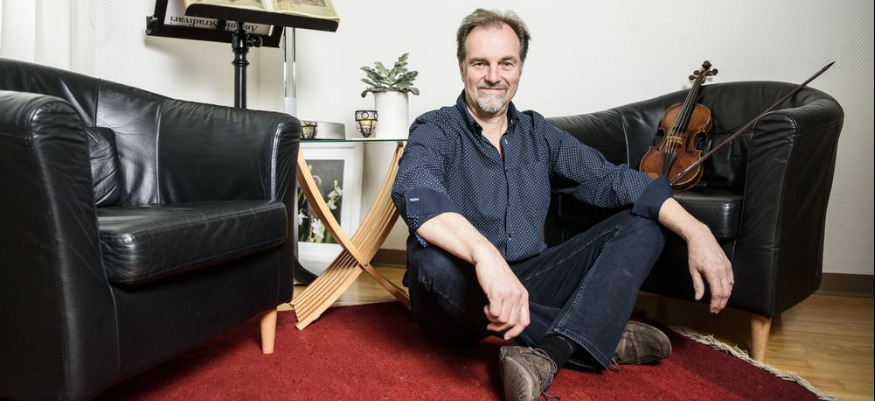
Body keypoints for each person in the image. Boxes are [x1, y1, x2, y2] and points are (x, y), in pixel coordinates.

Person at [390, 8, 734, 401]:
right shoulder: (435, 128)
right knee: (431, 265)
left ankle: (552, 351)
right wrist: (486, 258)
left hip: (533, 280)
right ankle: (597, 332)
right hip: (461, 291)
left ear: (520, 68)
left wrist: (697, 231)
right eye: (480, 63)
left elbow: (616, 180)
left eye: (506, 63)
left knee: (644, 222)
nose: (493, 76)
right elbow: (415, 190)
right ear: (462, 67)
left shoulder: (540, 134)